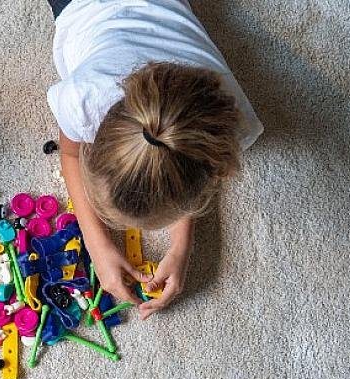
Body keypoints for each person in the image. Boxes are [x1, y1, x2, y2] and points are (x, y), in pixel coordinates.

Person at [45, 0, 264, 319]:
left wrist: (181, 247)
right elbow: (70, 153)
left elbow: (180, 168)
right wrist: (96, 243)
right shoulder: (81, 97)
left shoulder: (227, 120)